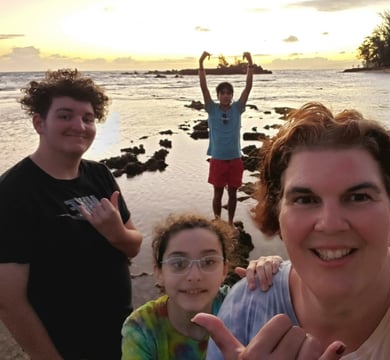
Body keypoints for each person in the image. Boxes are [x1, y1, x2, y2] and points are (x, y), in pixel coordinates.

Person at [192, 102, 390, 359]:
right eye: (305, 200)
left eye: (358, 197)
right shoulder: (246, 308)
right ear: (277, 214)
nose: (330, 224)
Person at [0, 69, 143, 359]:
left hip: (123, 335)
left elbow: (133, 244)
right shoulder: (14, 191)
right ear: (39, 122)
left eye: (88, 118)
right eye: (65, 116)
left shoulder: (100, 175)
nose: (79, 126)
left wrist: (116, 233)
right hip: (67, 345)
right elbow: (9, 301)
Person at [120, 213, 282, 359]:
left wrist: (280, 278)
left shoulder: (240, 308)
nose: (194, 276)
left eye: (208, 262)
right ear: (159, 273)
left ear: (224, 270)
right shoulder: (142, 328)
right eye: (178, 263)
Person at [198, 51, 254, 228]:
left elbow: (248, 88)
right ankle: (217, 221)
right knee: (217, 194)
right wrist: (200, 64)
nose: (226, 95)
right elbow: (204, 88)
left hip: (235, 159)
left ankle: (229, 224)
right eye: (222, 93)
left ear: (232, 95)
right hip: (218, 159)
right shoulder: (211, 109)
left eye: (229, 93)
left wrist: (250, 63)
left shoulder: (237, 109)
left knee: (232, 194)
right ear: (218, 96)